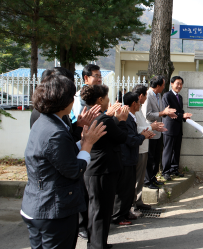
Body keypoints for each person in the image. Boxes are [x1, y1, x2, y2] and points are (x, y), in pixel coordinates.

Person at [21, 75, 106, 249]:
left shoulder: (45, 122)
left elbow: (59, 153)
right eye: (72, 97)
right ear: (63, 100)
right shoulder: (55, 131)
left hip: (37, 205)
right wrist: (88, 144)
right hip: (53, 211)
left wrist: (79, 131)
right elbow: (74, 170)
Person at [81, 84, 130, 249]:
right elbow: (121, 137)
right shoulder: (104, 119)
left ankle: (97, 242)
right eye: (107, 97)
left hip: (95, 169)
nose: (109, 100)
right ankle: (96, 245)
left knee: (96, 209)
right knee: (100, 211)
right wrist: (122, 120)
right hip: (102, 170)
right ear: (100, 99)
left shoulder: (91, 116)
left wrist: (113, 118)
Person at [112, 93, 154, 224]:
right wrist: (143, 136)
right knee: (123, 190)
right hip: (125, 158)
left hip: (131, 157)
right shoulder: (126, 119)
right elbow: (130, 140)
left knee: (129, 188)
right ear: (134, 104)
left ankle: (125, 213)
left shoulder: (132, 117)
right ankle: (118, 216)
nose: (140, 104)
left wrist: (142, 135)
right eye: (138, 102)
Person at [132, 84, 166, 210]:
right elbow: (135, 128)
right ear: (141, 96)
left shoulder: (139, 108)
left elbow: (142, 124)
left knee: (140, 179)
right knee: (136, 179)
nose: (146, 98)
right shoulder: (133, 109)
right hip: (139, 147)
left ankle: (139, 201)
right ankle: (133, 205)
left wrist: (151, 128)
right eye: (145, 95)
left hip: (144, 144)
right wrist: (151, 127)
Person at [143, 76, 176, 188]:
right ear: (157, 86)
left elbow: (162, 111)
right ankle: (147, 181)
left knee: (156, 157)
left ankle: (153, 178)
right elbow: (147, 115)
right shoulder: (148, 96)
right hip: (150, 130)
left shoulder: (159, 95)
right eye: (162, 85)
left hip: (158, 131)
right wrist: (162, 113)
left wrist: (167, 113)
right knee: (150, 157)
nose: (163, 87)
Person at [162, 76, 193, 181]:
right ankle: (165, 172)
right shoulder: (167, 95)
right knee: (168, 150)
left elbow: (180, 111)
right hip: (169, 128)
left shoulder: (180, 97)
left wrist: (185, 116)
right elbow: (170, 112)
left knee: (176, 150)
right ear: (171, 84)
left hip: (178, 128)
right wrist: (182, 116)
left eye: (181, 84)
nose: (179, 86)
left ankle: (174, 169)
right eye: (177, 83)